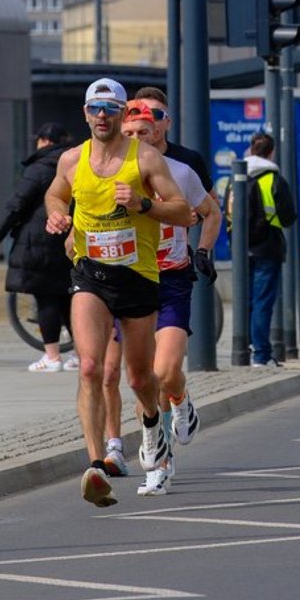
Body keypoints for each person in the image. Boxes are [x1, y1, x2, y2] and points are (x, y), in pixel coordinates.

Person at [44, 77, 193, 509]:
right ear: (85, 113)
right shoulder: (72, 160)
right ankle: (95, 465)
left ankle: (153, 426)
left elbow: (182, 211)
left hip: (138, 276)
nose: (102, 116)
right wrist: (58, 215)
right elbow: (55, 194)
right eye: (95, 108)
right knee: (90, 366)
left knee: (140, 378)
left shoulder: (144, 158)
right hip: (90, 273)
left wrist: (143, 204)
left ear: (123, 112)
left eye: (111, 109)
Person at [121, 89, 222, 495]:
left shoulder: (182, 169)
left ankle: (181, 401)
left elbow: (211, 211)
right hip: (130, 281)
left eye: (144, 130)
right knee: (142, 378)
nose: (138, 139)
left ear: (160, 129)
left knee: (164, 372)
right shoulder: (109, 172)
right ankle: (158, 463)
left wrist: (204, 252)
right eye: (129, 132)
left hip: (172, 279)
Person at [0, 122, 78, 374]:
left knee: (46, 297)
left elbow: (17, 204)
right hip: (68, 238)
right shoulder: (74, 162)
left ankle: (52, 356)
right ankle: (80, 353)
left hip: (39, 242)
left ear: (45, 142)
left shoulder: (40, 167)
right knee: (67, 297)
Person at [241, 131, 297, 368]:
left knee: (246, 301)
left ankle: (243, 350)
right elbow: (288, 217)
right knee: (262, 303)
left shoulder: (238, 176)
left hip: (242, 249)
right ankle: (261, 355)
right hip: (268, 248)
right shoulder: (273, 179)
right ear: (271, 152)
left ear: (251, 150)